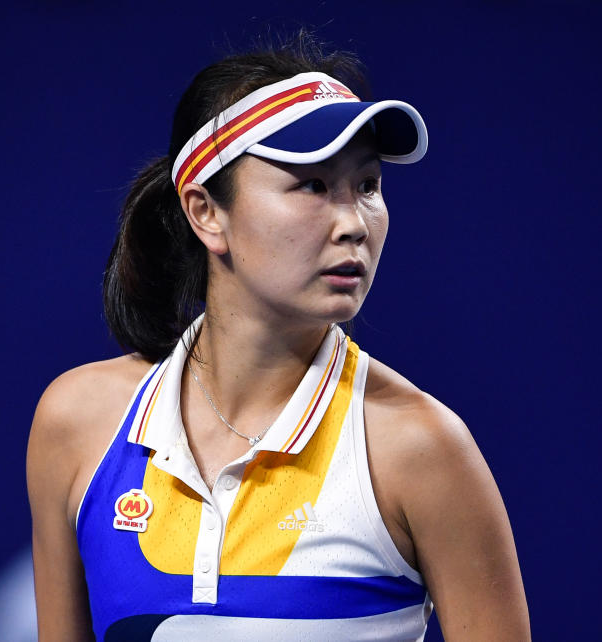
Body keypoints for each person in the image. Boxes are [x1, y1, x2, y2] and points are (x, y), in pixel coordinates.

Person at [27, 36, 530, 641]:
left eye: (368, 186)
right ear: (206, 211)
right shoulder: (76, 423)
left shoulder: (422, 449)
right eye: (313, 186)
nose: (353, 224)